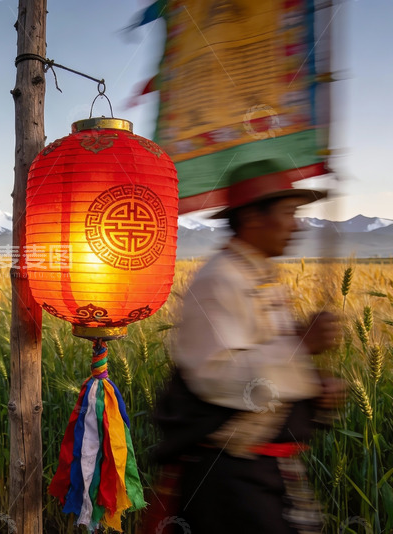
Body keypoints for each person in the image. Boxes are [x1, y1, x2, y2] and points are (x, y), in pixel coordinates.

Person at [148, 164, 346, 534]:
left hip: (264, 474)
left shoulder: (260, 277)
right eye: (289, 214)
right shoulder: (218, 280)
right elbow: (217, 376)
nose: (297, 226)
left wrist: (315, 388)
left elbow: (265, 364)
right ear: (254, 216)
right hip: (229, 481)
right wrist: (299, 349)